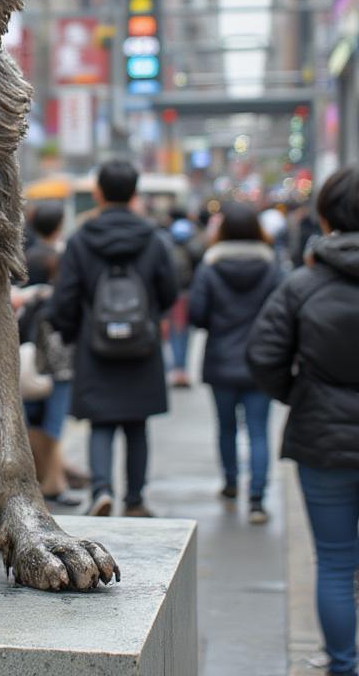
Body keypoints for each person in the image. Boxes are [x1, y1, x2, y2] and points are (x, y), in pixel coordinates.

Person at [248, 166, 359, 676]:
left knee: (336, 562)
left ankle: (342, 664)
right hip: (324, 432)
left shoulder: (304, 284)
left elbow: (264, 356)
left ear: (325, 215)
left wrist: (301, 394)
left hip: (323, 439)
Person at [50, 159, 178, 518]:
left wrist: (71, 330)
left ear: (98, 193)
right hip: (142, 344)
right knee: (136, 422)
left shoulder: (80, 240)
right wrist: (150, 316)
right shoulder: (153, 238)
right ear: (135, 193)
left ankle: (102, 490)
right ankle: (135, 499)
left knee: (101, 422)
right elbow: (169, 291)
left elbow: (66, 298)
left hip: (95, 346)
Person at [188, 203, 280, 524]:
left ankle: (230, 483)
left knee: (226, 428)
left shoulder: (210, 267)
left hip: (221, 361)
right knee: (258, 432)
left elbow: (196, 315)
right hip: (261, 362)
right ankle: (257, 500)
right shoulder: (272, 267)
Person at [19, 201, 80, 506]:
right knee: (54, 423)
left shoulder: (24, 258)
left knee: (30, 421)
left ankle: (48, 479)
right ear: (58, 226)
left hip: (26, 354)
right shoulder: (61, 259)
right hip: (57, 357)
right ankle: (54, 482)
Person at [165, 216, 197, 388]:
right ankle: (180, 369)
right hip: (185, 297)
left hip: (176, 299)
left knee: (175, 335)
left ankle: (178, 369)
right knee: (182, 336)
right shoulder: (194, 250)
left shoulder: (168, 251)